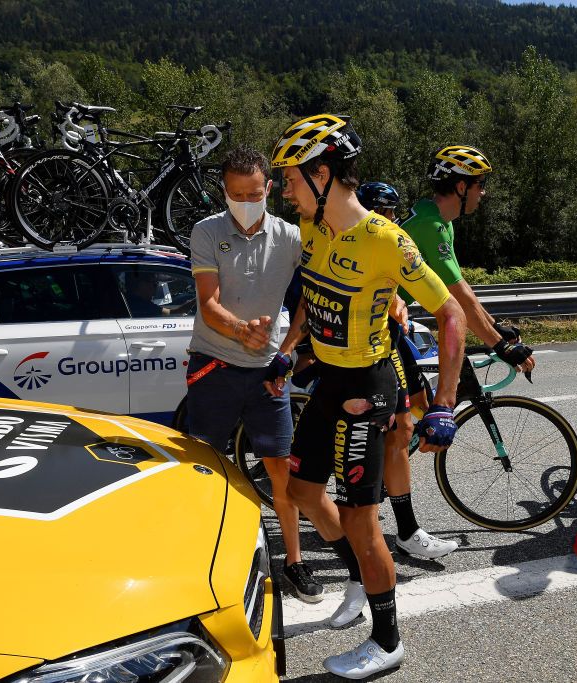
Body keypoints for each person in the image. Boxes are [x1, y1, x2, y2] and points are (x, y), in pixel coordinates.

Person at [266, 114, 467, 679]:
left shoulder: (385, 239)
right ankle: (358, 576)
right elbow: (311, 291)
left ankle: (387, 639)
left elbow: (451, 315)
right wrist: (291, 348)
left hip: (368, 389)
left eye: (291, 178)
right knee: (303, 490)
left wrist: (445, 405)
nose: (285, 190)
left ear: (323, 175)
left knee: (360, 519)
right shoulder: (312, 228)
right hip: (329, 378)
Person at [185, 145, 325, 604]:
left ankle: (295, 562)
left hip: (268, 372)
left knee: (280, 473)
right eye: (235, 194)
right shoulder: (207, 231)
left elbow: (318, 291)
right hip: (214, 367)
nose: (245, 202)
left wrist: (285, 350)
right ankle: (203, 561)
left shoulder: (291, 235)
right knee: (206, 470)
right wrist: (240, 329)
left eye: (253, 193)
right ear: (223, 192)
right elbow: (208, 303)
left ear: (269, 189)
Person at [358, 180, 458, 559]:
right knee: (401, 429)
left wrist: (397, 300)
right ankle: (405, 527)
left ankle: (388, 475)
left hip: (395, 337)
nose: (390, 220)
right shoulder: (358, 237)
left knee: (418, 407)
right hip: (372, 346)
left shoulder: (389, 240)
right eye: (383, 212)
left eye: (393, 213)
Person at [400, 146, 535, 373]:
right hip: (376, 319)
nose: (483, 193)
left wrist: (495, 326)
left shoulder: (436, 217)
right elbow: (458, 295)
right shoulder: (432, 226)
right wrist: (501, 347)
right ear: (461, 187)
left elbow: (461, 286)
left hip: (389, 315)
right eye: (480, 185)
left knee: (420, 400)